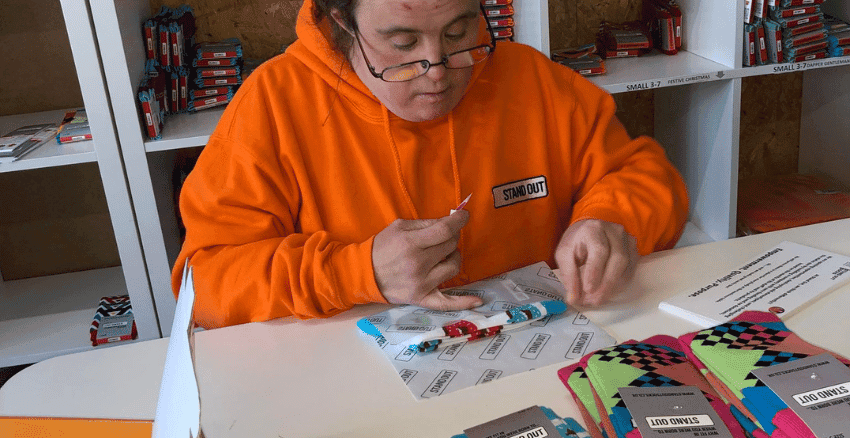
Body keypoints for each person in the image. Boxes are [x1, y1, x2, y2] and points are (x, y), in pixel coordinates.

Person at [172, 0, 689, 329]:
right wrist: (355, 271)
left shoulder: (528, 77)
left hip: (543, 367)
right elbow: (207, 283)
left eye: (460, 32)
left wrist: (610, 219)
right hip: (361, 402)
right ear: (342, 22)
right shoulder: (276, 103)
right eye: (402, 45)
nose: (437, 70)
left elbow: (643, 175)